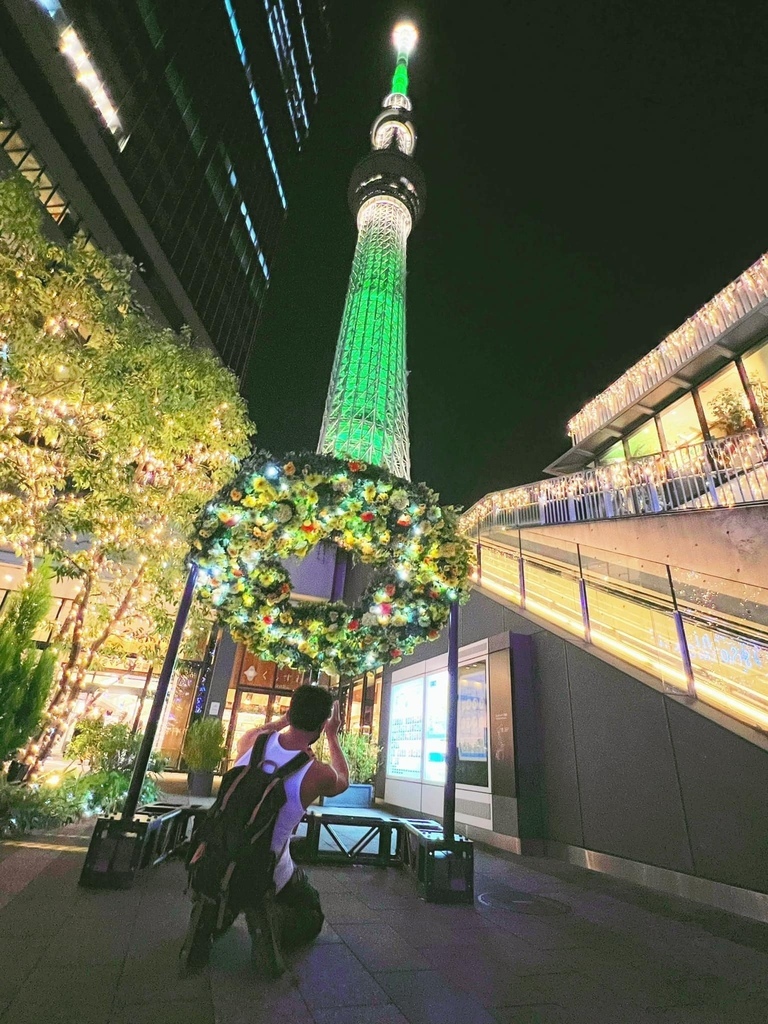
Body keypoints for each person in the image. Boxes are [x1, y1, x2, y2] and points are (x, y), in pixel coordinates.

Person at [233, 685, 349, 977]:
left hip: (221, 849)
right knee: (312, 913)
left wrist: (283, 721)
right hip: (264, 869)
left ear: (290, 711)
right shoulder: (316, 773)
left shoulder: (252, 741)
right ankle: (270, 920)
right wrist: (333, 735)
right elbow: (344, 779)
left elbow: (268, 731)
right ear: (323, 723)